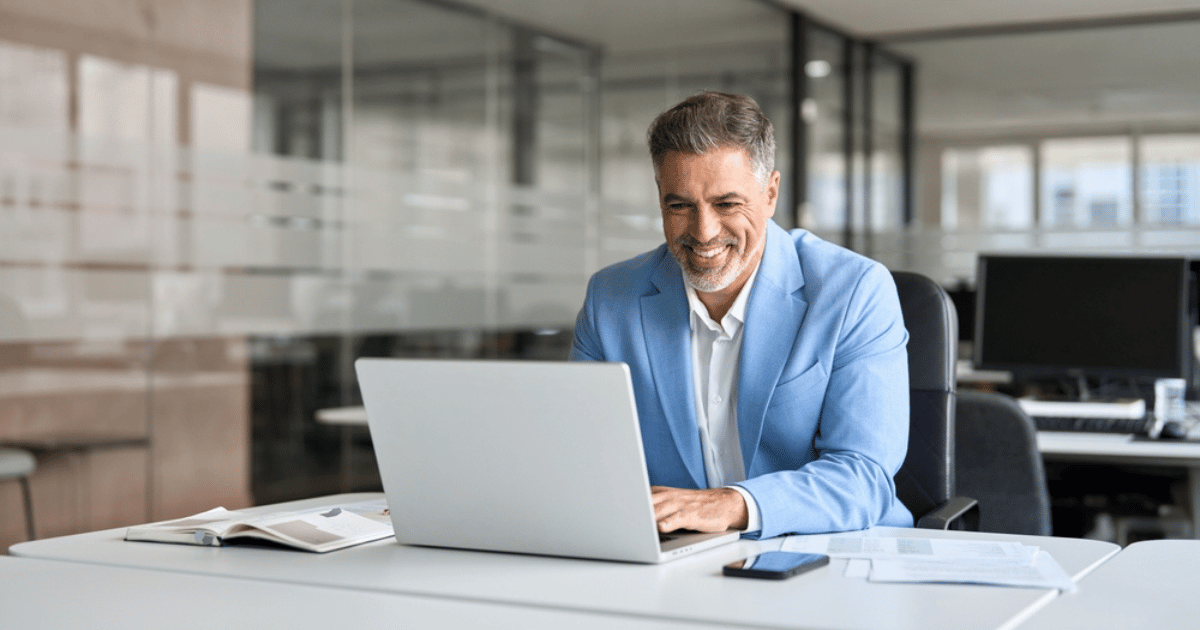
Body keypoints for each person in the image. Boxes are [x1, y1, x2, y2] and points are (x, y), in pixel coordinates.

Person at [569, 91, 912, 539]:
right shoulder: (610, 298)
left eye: (727, 204)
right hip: (671, 558)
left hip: (829, 550)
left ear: (770, 194)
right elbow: (580, 458)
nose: (703, 231)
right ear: (659, 198)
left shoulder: (854, 291)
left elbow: (863, 477)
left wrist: (732, 505)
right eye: (680, 206)